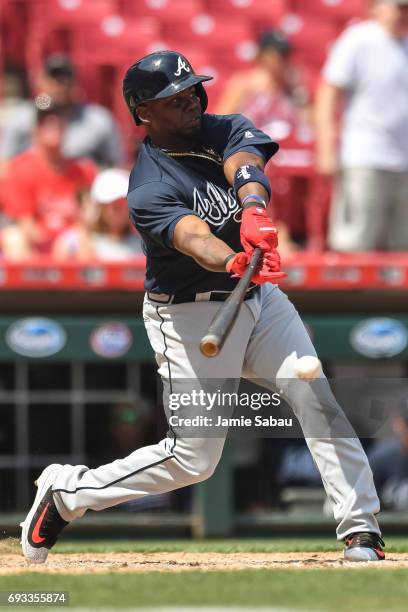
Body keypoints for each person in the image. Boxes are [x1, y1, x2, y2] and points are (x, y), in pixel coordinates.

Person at [20, 51, 384, 564]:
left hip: (259, 301)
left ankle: (360, 530)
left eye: (192, 89)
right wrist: (232, 258)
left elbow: (246, 161)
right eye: (175, 96)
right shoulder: (147, 185)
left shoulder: (221, 128)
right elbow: (191, 236)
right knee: (194, 459)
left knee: (313, 392)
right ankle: (67, 493)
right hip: (188, 314)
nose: (190, 99)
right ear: (144, 111)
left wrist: (253, 208)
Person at [315, 0, 408, 251]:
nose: (403, 12)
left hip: (403, 163)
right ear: (377, 7)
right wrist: (325, 148)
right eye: (398, 6)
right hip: (365, 158)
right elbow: (328, 93)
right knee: (355, 245)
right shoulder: (360, 39)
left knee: (402, 252)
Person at [0, 96, 97, 260]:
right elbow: (26, 225)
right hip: (36, 248)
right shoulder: (20, 169)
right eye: (46, 122)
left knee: (79, 240)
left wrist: (67, 239)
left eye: (58, 121)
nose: (54, 125)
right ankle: (29, 286)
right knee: (13, 238)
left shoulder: (83, 171)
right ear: (36, 130)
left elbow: (90, 217)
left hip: (73, 245)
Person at [0, 54, 123, 166]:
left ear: (76, 83)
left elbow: (117, 168)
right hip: (33, 185)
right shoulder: (22, 117)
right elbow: (5, 164)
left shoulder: (98, 119)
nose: (60, 85)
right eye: (53, 78)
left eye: (65, 78)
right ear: (40, 82)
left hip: (82, 184)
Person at [52, 168, 143, 261]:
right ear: (99, 206)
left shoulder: (144, 244)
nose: (117, 207)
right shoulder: (72, 245)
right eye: (110, 202)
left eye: (122, 201)